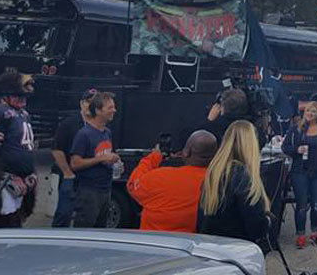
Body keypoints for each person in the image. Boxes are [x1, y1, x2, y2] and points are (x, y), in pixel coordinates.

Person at [127, 130, 218, 232]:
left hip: (155, 242)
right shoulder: (218, 182)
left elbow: (133, 184)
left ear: (187, 152)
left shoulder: (160, 177)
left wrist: (154, 156)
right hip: (194, 243)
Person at [197, 120, 271, 245]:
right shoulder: (242, 174)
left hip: (211, 245)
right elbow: (255, 225)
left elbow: (201, 218)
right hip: (237, 247)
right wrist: (267, 221)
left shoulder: (215, 171)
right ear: (251, 144)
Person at [283, 100, 317, 248]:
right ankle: (300, 234)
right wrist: (296, 150)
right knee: (301, 205)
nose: (310, 114)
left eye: (313, 112)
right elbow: (285, 147)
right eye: (307, 111)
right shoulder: (296, 129)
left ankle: (315, 232)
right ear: (304, 113)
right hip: (299, 172)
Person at [70, 91, 121, 228]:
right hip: (89, 192)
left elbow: (104, 155)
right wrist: (100, 159)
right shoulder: (84, 134)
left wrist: (113, 160)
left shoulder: (107, 132)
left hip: (106, 189)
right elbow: (75, 163)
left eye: (113, 107)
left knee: (100, 231)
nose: (114, 111)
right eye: (110, 108)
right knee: (85, 232)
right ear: (98, 110)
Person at [0, 69, 37, 228]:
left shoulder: (24, 114)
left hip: (23, 178)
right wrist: (1, 175)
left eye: (24, 97)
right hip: (5, 180)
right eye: (18, 96)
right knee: (6, 221)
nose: (23, 100)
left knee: (17, 218)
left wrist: (31, 172)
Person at [50, 89, 97, 227]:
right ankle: (57, 243)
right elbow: (56, 150)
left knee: (86, 215)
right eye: (88, 102)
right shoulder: (69, 124)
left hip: (89, 178)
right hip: (70, 178)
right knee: (64, 213)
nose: (91, 105)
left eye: (95, 102)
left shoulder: (99, 126)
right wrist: (67, 172)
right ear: (81, 103)